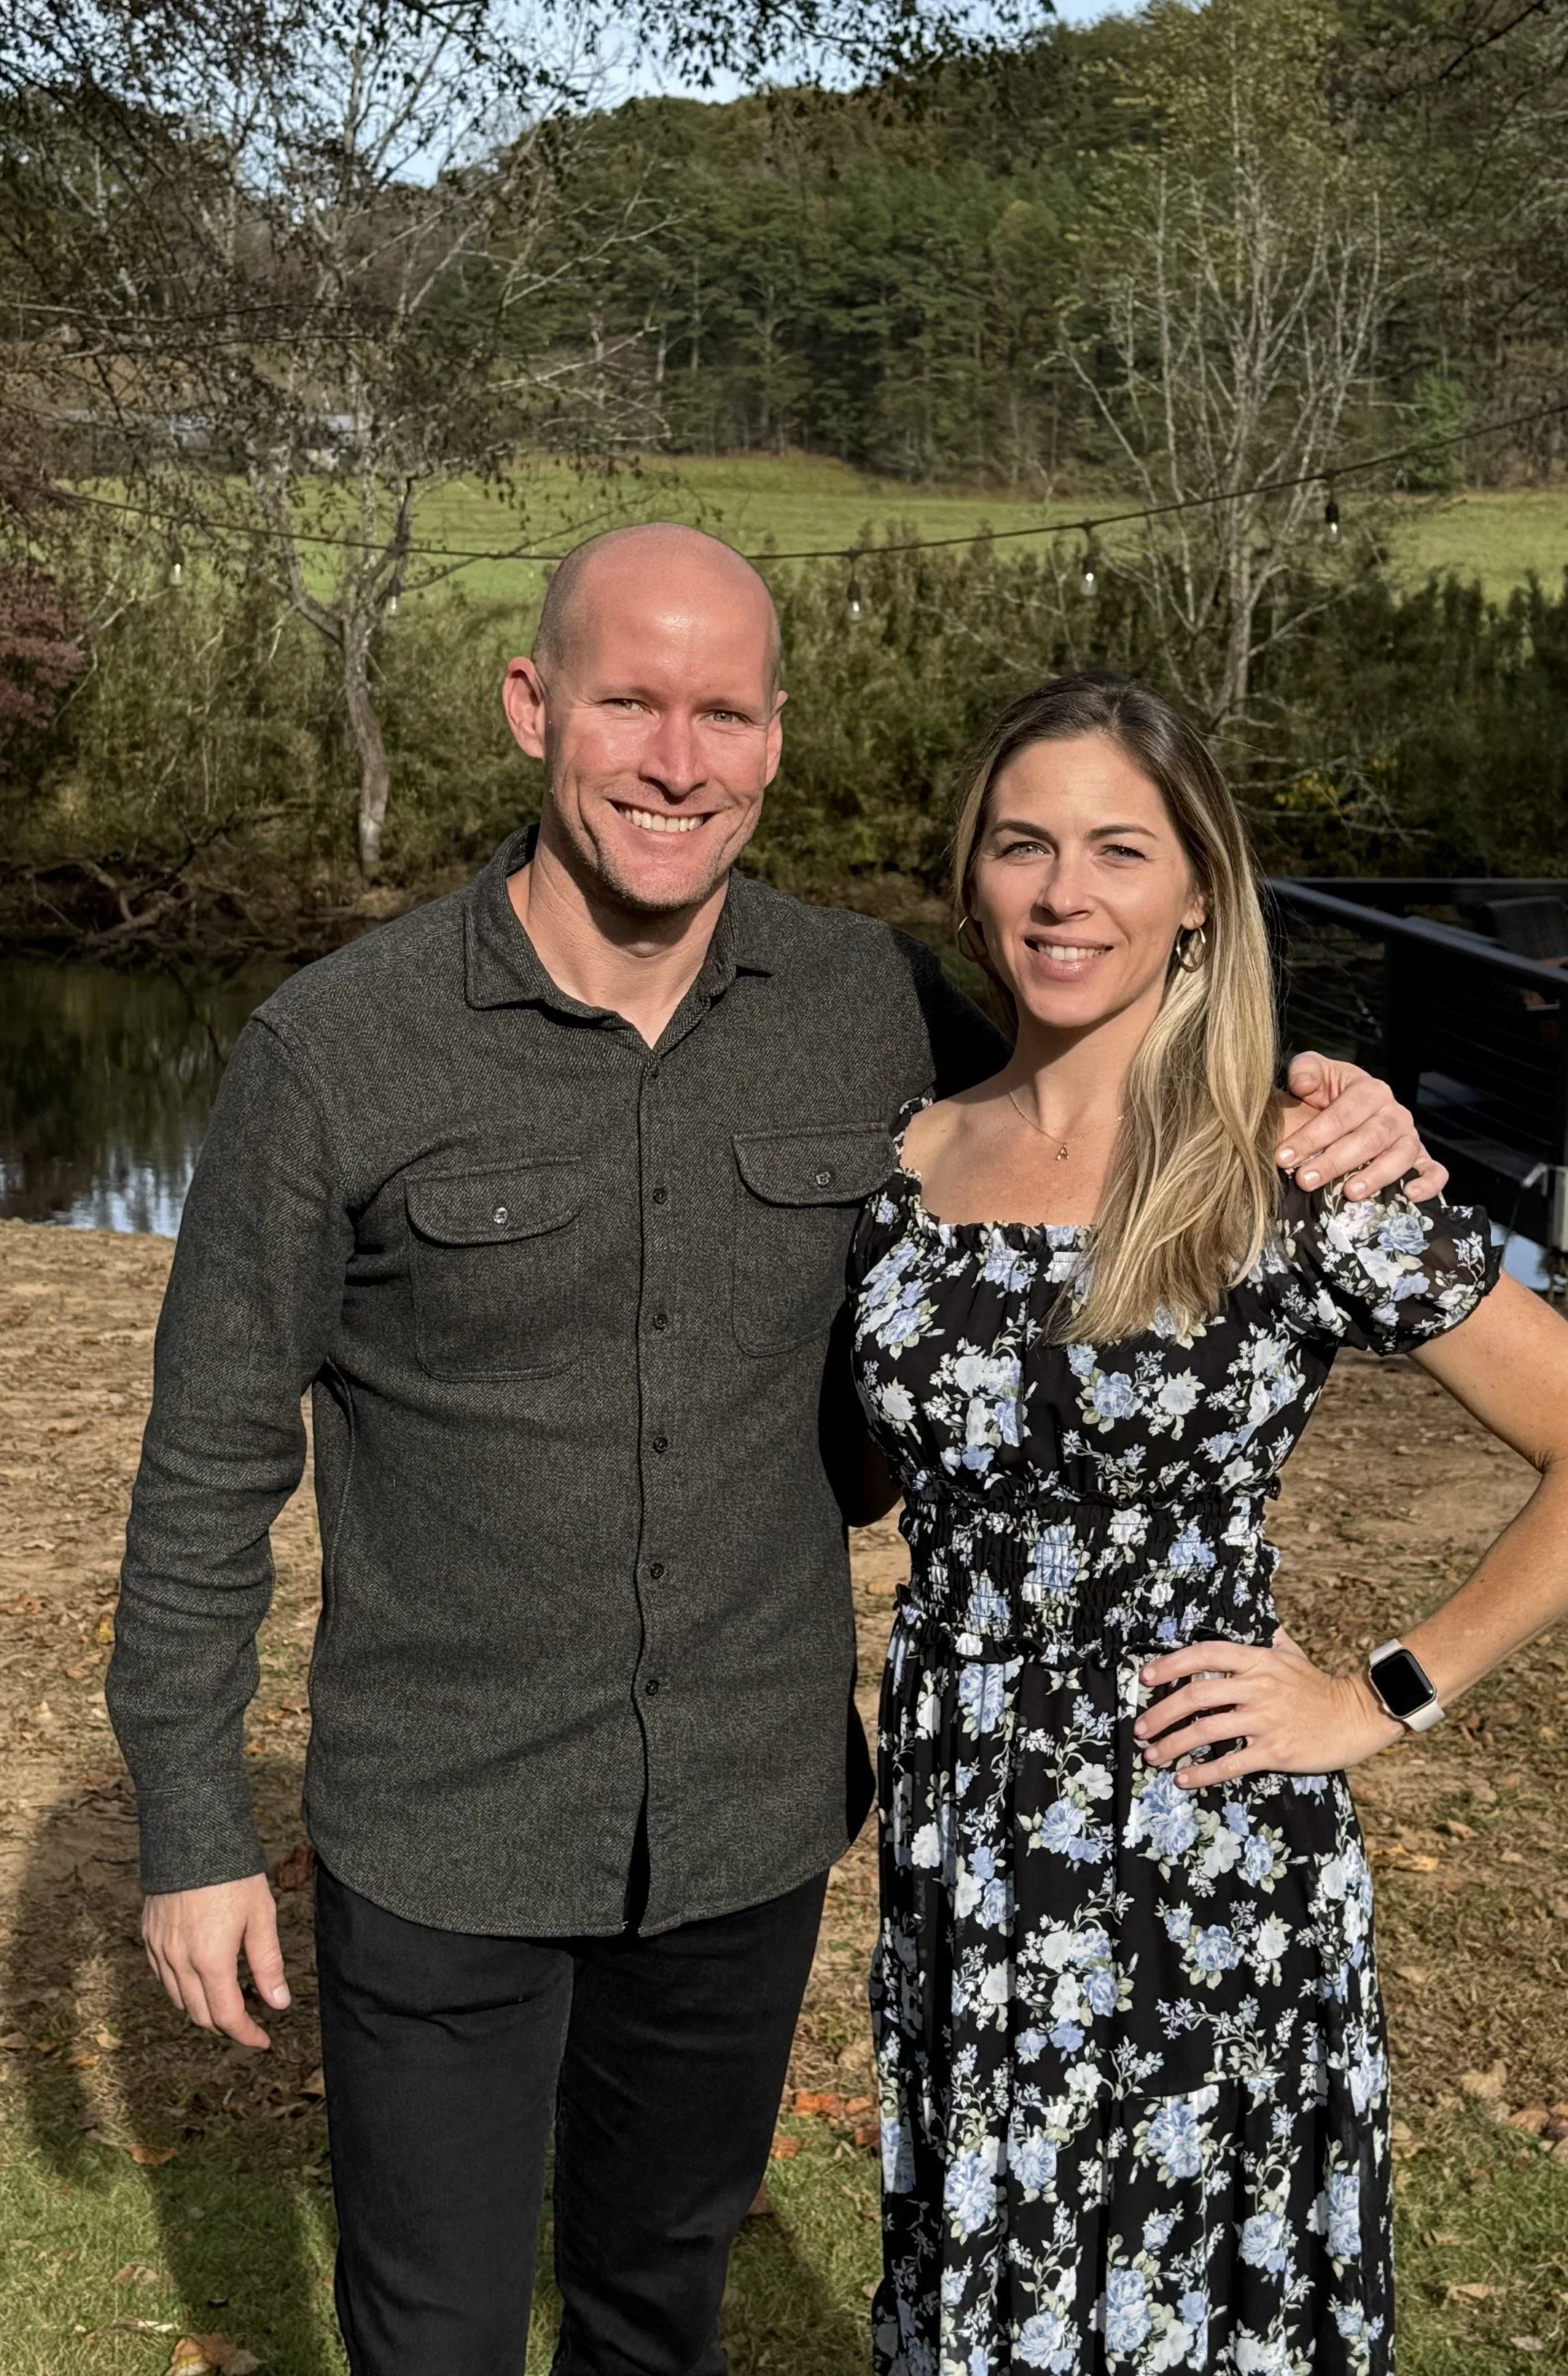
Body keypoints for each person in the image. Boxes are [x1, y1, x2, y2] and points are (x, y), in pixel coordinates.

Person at [108, 529, 1445, 2376]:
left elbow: (1105, 1091)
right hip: (441, 1822)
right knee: (430, 2336)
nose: (678, 761)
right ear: (531, 706)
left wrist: (1328, 1102)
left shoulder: (872, 1005)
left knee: (659, 2318)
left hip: (744, 1828)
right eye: (630, 703)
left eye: (723, 714)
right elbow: (205, 1467)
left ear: (776, 738)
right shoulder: (336, 1050)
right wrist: (192, 1830)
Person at [843, 674, 1568, 2376]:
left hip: (1197, 1828)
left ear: (1198, 895)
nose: (1064, 894)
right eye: (1023, 845)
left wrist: (1378, 1696)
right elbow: (871, 1467)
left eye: (1118, 850)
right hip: (964, 1819)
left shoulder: (1292, 1173)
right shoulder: (905, 1161)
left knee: (1189, 2302)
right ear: (972, 880)